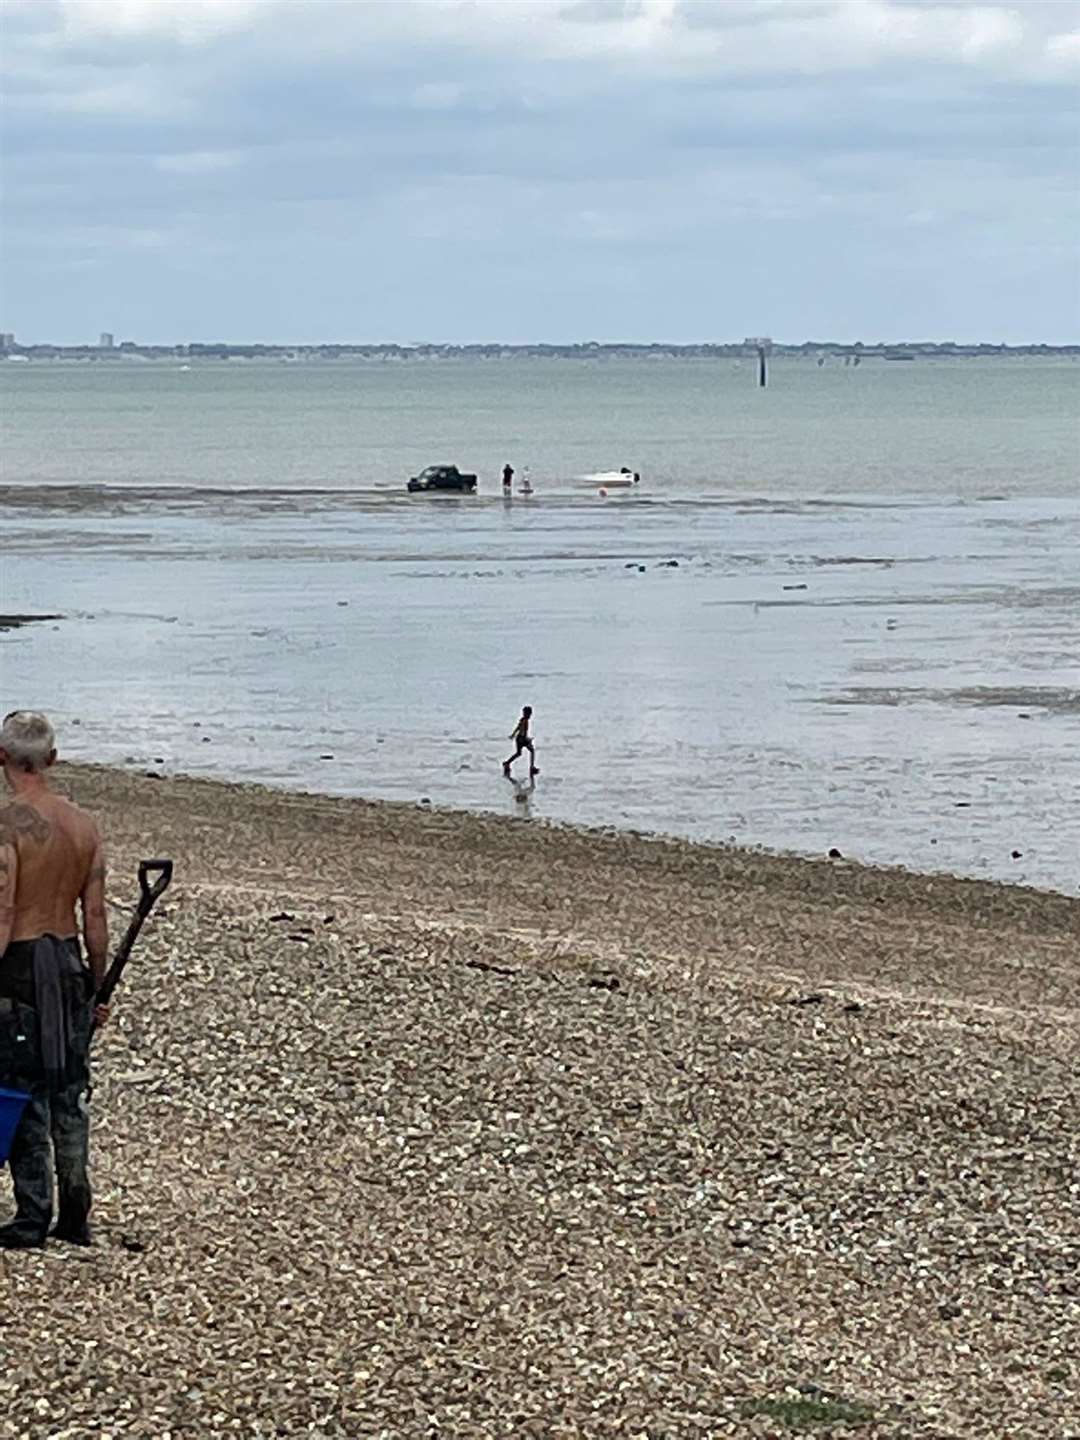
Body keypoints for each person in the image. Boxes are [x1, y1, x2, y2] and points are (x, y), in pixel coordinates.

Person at [0, 711, 109, 1250]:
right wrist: (97, 985)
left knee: (22, 1089)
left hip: (18, 968)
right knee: (69, 1090)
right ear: (53, 758)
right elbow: (95, 919)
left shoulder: (8, 826)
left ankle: (32, 1216)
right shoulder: (84, 826)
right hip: (68, 964)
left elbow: (1, 912)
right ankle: (76, 1208)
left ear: (1, 759)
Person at [503, 706, 538, 778]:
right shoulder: (525, 721)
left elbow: (518, 728)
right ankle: (532, 767)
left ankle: (507, 763)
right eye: (529, 714)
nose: (529, 716)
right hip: (521, 739)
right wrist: (527, 739)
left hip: (519, 738)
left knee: (518, 753)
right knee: (532, 751)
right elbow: (522, 731)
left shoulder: (522, 720)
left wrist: (513, 735)